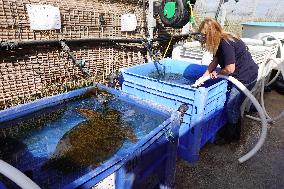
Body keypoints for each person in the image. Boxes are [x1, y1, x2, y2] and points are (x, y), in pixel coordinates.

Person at [196, 18, 258, 145]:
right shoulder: (219, 40)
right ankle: (235, 133)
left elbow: (230, 68)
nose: (202, 38)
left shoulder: (225, 43)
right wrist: (203, 77)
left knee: (231, 106)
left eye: (204, 35)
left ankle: (230, 137)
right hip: (241, 74)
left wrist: (217, 74)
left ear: (211, 34)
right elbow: (215, 61)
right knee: (234, 106)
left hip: (245, 77)